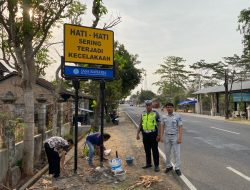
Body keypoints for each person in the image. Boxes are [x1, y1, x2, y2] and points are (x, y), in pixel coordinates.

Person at [136, 100, 161, 172]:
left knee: (155, 150)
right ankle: (148, 163)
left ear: (152, 105)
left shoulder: (155, 113)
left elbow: (159, 125)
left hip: (153, 134)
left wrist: (159, 135)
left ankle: (156, 166)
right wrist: (137, 133)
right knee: (147, 150)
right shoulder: (143, 113)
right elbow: (141, 124)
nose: (148, 106)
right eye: (147, 105)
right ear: (145, 106)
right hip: (145, 135)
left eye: (149, 105)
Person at [160, 102, 183, 176]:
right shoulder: (164, 117)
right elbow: (162, 127)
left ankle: (177, 168)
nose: (169, 108)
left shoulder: (177, 116)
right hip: (167, 136)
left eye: (170, 107)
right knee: (167, 152)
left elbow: (180, 127)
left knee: (177, 153)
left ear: (173, 108)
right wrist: (161, 136)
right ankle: (169, 166)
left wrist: (180, 138)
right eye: (167, 107)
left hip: (175, 136)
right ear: (166, 108)